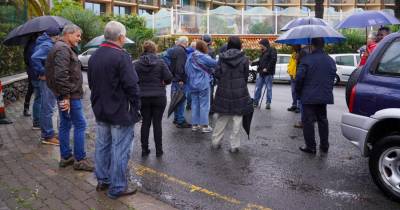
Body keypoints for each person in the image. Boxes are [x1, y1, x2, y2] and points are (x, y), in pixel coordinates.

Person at [88, 21, 140, 199]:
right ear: (121, 37)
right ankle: (117, 187)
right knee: (120, 149)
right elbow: (132, 85)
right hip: (119, 111)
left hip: (100, 108)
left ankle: (103, 180)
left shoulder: (94, 56)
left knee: (102, 146)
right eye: (124, 36)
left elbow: (92, 83)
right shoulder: (121, 56)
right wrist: (136, 107)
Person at [45, 24, 94, 171]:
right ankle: (80, 160)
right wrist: (65, 96)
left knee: (65, 124)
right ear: (68, 34)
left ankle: (66, 157)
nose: (79, 39)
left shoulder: (61, 47)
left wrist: (63, 95)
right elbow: (61, 75)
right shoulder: (63, 49)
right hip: (70, 95)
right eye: (77, 35)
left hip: (65, 94)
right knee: (80, 124)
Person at [211, 36, 253, 153]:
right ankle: (234, 146)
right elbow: (245, 76)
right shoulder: (244, 58)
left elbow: (217, 73)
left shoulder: (222, 58)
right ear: (239, 44)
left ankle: (215, 142)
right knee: (237, 119)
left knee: (222, 118)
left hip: (223, 91)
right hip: (240, 91)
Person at [295, 38, 337, 154]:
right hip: (323, 96)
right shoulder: (330, 60)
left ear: (312, 46)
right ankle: (324, 145)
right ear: (323, 46)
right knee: (322, 120)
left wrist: (298, 93)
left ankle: (311, 146)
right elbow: (332, 77)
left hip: (308, 96)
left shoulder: (306, 59)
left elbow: (299, 78)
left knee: (308, 121)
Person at [135, 40, 172, 157]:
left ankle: (144, 150)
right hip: (159, 97)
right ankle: (159, 150)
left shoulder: (136, 64)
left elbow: (132, 79)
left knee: (145, 123)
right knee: (157, 123)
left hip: (143, 97)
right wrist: (163, 82)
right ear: (154, 49)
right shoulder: (160, 62)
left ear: (143, 49)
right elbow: (169, 78)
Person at [31, 27, 60, 146]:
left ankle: (48, 133)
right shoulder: (47, 45)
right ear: (55, 35)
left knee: (46, 107)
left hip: (45, 80)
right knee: (47, 108)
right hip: (47, 80)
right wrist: (43, 72)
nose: (59, 37)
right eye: (58, 35)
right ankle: (47, 136)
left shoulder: (43, 42)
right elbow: (35, 58)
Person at [185, 40, 217, 133]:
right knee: (204, 105)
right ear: (204, 47)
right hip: (203, 83)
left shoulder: (190, 56)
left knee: (194, 104)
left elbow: (186, 69)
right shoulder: (204, 56)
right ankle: (204, 126)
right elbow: (215, 64)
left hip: (192, 84)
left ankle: (195, 125)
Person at [170, 36, 191, 128]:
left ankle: (176, 118)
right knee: (181, 100)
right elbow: (180, 66)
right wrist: (181, 79)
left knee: (176, 99)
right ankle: (180, 120)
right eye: (187, 43)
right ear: (185, 42)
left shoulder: (175, 50)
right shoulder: (182, 51)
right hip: (180, 80)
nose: (188, 44)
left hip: (175, 79)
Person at [253, 38, 277, 110]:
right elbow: (260, 61)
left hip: (268, 73)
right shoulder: (263, 52)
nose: (260, 46)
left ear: (264, 44)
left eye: (261, 45)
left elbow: (273, 60)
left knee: (269, 88)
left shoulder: (272, 50)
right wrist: (252, 63)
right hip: (261, 72)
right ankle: (256, 102)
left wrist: (267, 68)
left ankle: (268, 103)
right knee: (258, 88)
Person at [23, 35, 40, 129]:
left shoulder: (29, 44)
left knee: (30, 90)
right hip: (34, 72)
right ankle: (27, 110)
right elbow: (32, 60)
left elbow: (26, 60)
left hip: (31, 71)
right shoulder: (33, 45)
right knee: (35, 93)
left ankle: (25, 108)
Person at [287, 45, 301, 113]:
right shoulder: (293, 54)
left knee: (298, 91)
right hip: (292, 75)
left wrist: (298, 59)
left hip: (298, 75)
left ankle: (299, 106)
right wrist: (289, 70)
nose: (292, 47)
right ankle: (294, 105)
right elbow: (290, 64)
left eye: (293, 46)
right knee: (293, 91)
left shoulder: (302, 53)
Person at [185, 41, 196, 111]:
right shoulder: (194, 54)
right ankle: (191, 105)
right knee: (193, 90)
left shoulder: (185, 52)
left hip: (187, 73)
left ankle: (188, 105)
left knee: (188, 89)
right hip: (194, 74)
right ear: (194, 47)